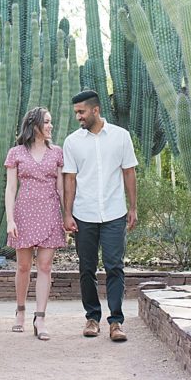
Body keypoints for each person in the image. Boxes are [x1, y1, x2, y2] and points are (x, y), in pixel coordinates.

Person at [62, 90, 138, 342]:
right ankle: (92, 317)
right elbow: (70, 179)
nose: (78, 117)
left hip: (115, 213)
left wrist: (133, 207)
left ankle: (116, 322)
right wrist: (68, 213)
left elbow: (129, 173)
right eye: (76, 113)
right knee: (86, 268)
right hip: (84, 215)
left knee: (115, 267)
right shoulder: (72, 142)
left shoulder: (121, 136)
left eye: (81, 112)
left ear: (95, 110)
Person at [4, 106, 66, 341]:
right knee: (22, 267)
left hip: (50, 213)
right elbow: (10, 188)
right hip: (24, 214)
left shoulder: (57, 152)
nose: (51, 126)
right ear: (35, 125)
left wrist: (67, 215)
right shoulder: (16, 153)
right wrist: (10, 219)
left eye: (51, 122)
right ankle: (20, 312)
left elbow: (61, 188)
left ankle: (40, 318)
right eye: (47, 122)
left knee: (45, 267)